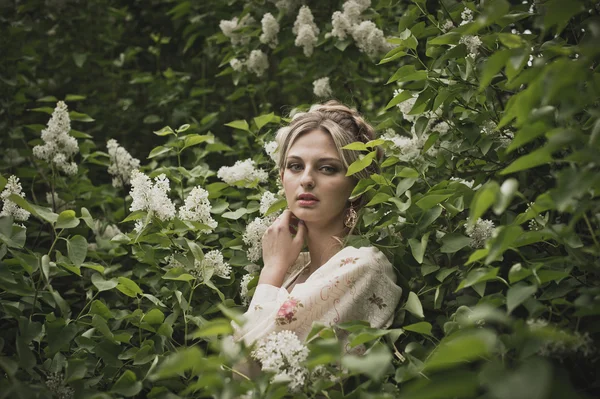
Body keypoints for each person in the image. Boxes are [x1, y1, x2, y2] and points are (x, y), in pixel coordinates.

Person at [232, 101, 403, 358]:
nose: (307, 179)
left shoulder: (363, 266)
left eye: (327, 168)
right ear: (282, 178)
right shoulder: (294, 267)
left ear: (358, 184)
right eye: (295, 166)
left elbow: (251, 364)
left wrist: (271, 271)